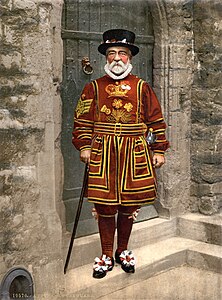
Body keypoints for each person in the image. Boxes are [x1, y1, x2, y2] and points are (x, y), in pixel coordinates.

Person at [72, 29, 169, 279]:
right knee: (105, 205)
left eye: (122, 54)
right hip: (103, 153)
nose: (117, 58)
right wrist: (84, 146)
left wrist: (158, 149)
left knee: (128, 205)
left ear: (130, 58)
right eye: (112, 53)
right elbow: (81, 120)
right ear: (105, 57)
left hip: (135, 152)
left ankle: (123, 250)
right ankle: (105, 254)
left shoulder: (142, 87)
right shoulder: (92, 87)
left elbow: (156, 120)